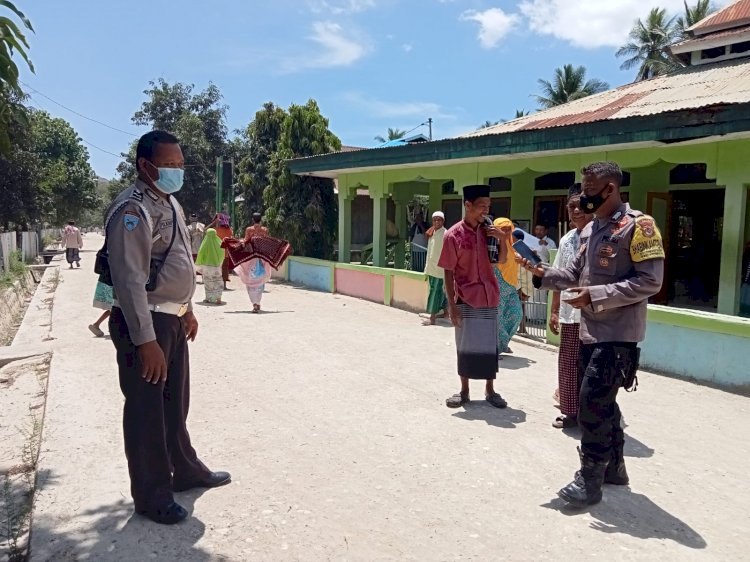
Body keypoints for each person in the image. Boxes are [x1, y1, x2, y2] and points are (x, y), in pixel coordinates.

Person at [105, 131, 230, 525]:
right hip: (146, 323)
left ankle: (185, 470)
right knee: (147, 411)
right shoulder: (132, 209)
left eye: (180, 164)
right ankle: (152, 496)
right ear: (146, 166)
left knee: (175, 405)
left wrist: (187, 308)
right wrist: (145, 341)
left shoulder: (169, 203)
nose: (177, 170)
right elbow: (128, 280)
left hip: (171, 318)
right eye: (169, 164)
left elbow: (175, 259)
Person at [522, 162, 664, 507]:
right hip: (589, 332)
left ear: (610, 189)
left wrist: (596, 296)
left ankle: (590, 479)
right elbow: (572, 274)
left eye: (589, 189)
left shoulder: (640, 227)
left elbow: (651, 281)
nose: (583, 196)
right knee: (603, 402)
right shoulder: (591, 231)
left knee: (590, 405)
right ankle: (614, 467)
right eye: (583, 188)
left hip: (618, 334)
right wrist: (541, 273)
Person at [438, 184, 509, 409]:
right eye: (481, 206)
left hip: (489, 296)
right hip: (465, 297)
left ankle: (490, 390)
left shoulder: (489, 231)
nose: (485, 211)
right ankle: (464, 391)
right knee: (465, 345)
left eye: (488, 206)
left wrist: (502, 239)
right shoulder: (453, 236)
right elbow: (448, 272)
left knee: (490, 346)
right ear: (467, 205)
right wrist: (452, 305)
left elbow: (503, 260)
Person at [548, 187, 593, 429]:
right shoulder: (566, 240)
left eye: (580, 205)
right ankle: (570, 412)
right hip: (569, 314)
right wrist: (554, 310)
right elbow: (557, 278)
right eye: (571, 207)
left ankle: (592, 415)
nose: (575, 211)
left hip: (594, 314)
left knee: (591, 366)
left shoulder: (602, 236)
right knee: (568, 363)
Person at [492, 218, 523, 356]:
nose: (505, 231)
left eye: (508, 229)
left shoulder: (512, 245)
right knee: (497, 318)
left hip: (511, 286)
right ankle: (495, 348)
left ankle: (503, 343)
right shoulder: (493, 245)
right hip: (497, 284)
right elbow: (501, 260)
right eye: (502, 229)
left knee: (516, 314)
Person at [235, 213, 272, 313]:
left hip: (251, 258)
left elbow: (246, 241)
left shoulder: (249, 229)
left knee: (250, 280)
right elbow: (266, 242)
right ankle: (258, 302)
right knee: (260, 281)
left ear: (253, 219)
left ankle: (255, 303)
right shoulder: (264, 230)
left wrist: (240, 241)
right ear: (261, 219)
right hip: (262, 258)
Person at [422, 211, 448, 325]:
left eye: (439, 220)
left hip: (440, 269)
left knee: (435, 292)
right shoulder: (432, 233)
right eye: (435, 220)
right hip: (431, 268)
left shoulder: (446, 234)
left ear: (443, 221)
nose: (436, 222)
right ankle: (446, 313)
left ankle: (432, 318)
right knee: (440, 292)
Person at [195, 228, 224, 305]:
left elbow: (200, 254)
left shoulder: (205, 244)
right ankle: (218, 298)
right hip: (216, 266)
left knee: (208, 282)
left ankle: (208, 298)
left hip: (206, 266)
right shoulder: (219, 243)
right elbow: (222, 253)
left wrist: (199, 263)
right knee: (217, 281)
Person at [209, 213, 234, 290]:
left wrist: (213, 223)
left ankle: (216, 285)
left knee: (216, 269)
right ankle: (224, 285)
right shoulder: (230, 230)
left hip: (216, 253)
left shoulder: (215, 230)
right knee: (224, 269)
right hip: (225, 253)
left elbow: (205, 231)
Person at [740, 241, 750, 317]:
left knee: (745, 293)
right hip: (747, 277)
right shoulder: (747, 253)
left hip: (747, 278)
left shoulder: (747, 252)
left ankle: (744, 310)